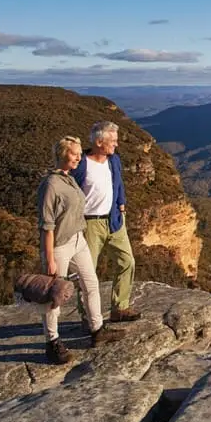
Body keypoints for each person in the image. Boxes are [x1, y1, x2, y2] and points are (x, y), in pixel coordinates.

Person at [37, 135, 125, 364]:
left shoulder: (70, 179)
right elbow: (46, 226)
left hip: (78, 240)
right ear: (62, 155)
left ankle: (97, 330)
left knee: (91, 284)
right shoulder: (51, 185)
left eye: (79, 154)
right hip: (59, 246)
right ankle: (52, 342)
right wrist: (50, 259)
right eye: (74, 154)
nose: (78, 157)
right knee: (54, 296)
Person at [72, 121, 141, 322]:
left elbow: (118, 184)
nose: (116, 145)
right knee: (87, 271)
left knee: (127, 261)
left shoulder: (114, 160)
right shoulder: (81, 164)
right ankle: (88, 317)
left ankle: (120, 307)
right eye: (112, 141)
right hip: (89, 224)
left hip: (114, 220)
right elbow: (69, 191)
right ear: (99, 142)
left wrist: (122, 204)